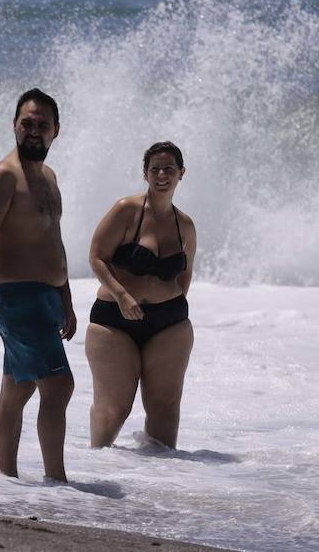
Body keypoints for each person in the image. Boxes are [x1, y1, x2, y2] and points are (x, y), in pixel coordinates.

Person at [0, 89, 77, 482]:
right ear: (14, 125)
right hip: (18, 298)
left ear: (56, 131)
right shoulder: (3, 177)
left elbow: (55, 240)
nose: (34, 131)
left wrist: (66, 299)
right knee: (59, 386)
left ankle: (6, 478)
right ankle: (57, 480)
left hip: (47, 298)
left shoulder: (48, 177)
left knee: (19, 388)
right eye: (27, 123)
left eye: (42, 125)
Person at [85, 142, 197, 449]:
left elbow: (185, 272)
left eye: (169, 169)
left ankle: (159, 487)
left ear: (181, 174)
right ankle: (96, 479)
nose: (162, 175)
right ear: (145, 173)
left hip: (169, 325)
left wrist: (173, 305)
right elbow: (96, 257)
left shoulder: (184, 225)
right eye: (155, 169)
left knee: (164, 410)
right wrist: (121, 295)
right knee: (113, 411)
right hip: (114, 321)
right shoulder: (126, 210)